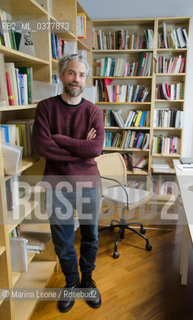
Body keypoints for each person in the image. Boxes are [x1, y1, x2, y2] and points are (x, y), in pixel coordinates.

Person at [33, 54, 104, 313]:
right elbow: (43, 147)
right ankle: (72, 282)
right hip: (56, 186)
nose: (77, 79)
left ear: (86, 79)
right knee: (62, 239)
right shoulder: (45, 108)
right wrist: (80, 148)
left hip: (88, 185)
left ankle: (87, 280)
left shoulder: (93, 111)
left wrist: (60, 138)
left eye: (82, 74)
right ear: (61, 76)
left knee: (90, 236)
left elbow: (95, 148)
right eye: (72, 73)